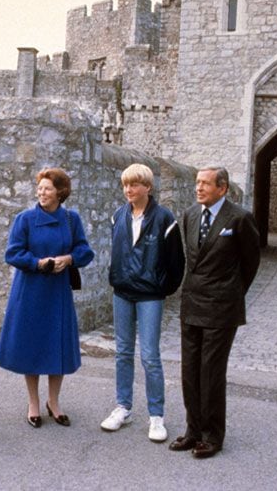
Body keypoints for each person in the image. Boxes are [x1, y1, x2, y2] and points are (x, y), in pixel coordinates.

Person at [168, 166, 260, 459]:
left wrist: (230, 293)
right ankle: (193, 430)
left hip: (221, 308)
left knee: (211, 373)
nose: (199, 188)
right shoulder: (190, 216)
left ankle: (212, 435)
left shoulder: (240, 219)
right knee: (190, 371)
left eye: (205, 184)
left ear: (222, 188)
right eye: (197, 183)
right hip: (192, 304)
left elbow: (250, 264)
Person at [0, 167, 94, 428]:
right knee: (32, 346)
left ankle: (54, 401)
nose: (41, 192)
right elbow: (12, 254)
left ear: (60, 192)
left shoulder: (71, 220)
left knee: (57, 345)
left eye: (47, 188)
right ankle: (33, 404)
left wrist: (69, 258)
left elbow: (85, 250)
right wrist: (38, 263)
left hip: (58, 292)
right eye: (39, 188)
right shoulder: (25, 219)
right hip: (30, 290)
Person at [100, 163, 185, 442]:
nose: (128, 190)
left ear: (147, 187)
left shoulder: (164, 218)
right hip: (122, 292)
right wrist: (117, 278)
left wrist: (163, 287)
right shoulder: (117, 216)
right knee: (123, 352)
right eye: (125, 185)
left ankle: (156, 416)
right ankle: (123, 407)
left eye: (134, 185)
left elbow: (176, 261)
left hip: (150, 295)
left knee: (149, 355)